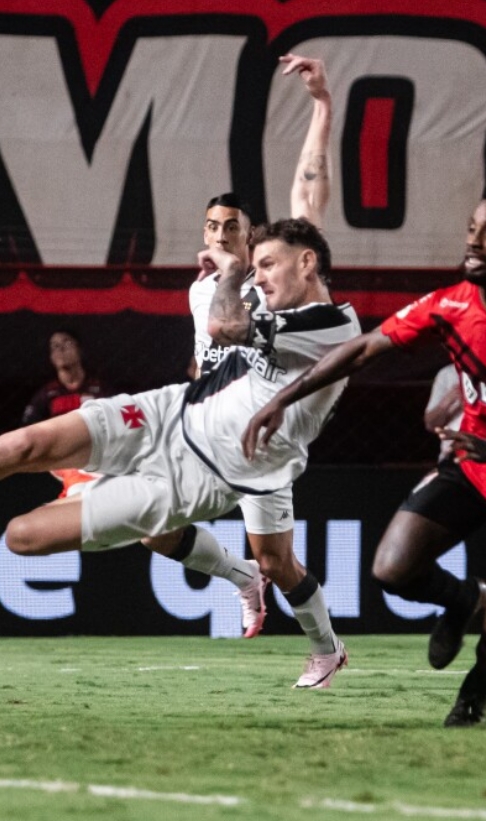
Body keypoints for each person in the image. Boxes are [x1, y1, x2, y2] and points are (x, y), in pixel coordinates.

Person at [0, 219, 360, 651]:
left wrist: (235, 271)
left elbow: (229, 321)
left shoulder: (323, 323)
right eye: (214, 228)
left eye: (263, 259)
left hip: (219, 470)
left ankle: (316, 640)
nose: (252, 267)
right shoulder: (242, 292)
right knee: (19, 446)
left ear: (306, 261)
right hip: (172, 411)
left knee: (24, 536)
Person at [243, 181, 486, 726]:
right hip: (473, 465)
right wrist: (282, 398)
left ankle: (474, 694)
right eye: (471, 229)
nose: (473, 240)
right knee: (391, 569)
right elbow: (363, 348)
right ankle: (463, 599)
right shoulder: (452, 304)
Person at [143, 53, 347, 687]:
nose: (221, 234)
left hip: (263, 438)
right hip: (210, 427)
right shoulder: (201, 290)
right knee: (150, 524)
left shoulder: (272, 278)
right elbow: (204, 357)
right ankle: (238, 577)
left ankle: (326, 648)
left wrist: (321, 105)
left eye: (232, 226)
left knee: (279, 561)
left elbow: (309, 193)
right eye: (212, 226)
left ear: (251, 233)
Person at [21, 329, 110, 497]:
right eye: (54, 346)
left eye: (67, 343)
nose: (60, 350)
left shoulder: (100, 389)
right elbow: (29, 428)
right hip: (61, 458)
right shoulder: (46, 394)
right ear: (51, 357)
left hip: (96, 454)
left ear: (79, 350)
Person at [424, 363, 463, 461]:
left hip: (485, 449)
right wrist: (447, 402)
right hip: (452, 453)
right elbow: (431, 425)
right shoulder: (448, 374)